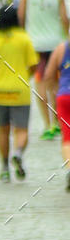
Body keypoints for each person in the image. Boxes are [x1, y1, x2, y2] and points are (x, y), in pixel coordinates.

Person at [0, 6, 38, 182]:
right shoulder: (24, 39)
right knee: (21, 130)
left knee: (2, 130)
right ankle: (18, 153)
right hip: (20, 91)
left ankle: (4, 168)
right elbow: (34, 65)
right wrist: (26, 77)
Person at [19, 0, 69, 138]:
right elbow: (64, 19)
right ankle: (58, 122)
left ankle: (47, 125)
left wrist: (23, 37)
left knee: (40, 83)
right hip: (55, 44)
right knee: (55, 84)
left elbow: (21, 17)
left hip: (36, 45)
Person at [44, 41, 70, 190]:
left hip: (65, 95)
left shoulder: (61, 48)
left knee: (67, 137)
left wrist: (55, 90)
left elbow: (48, 75)